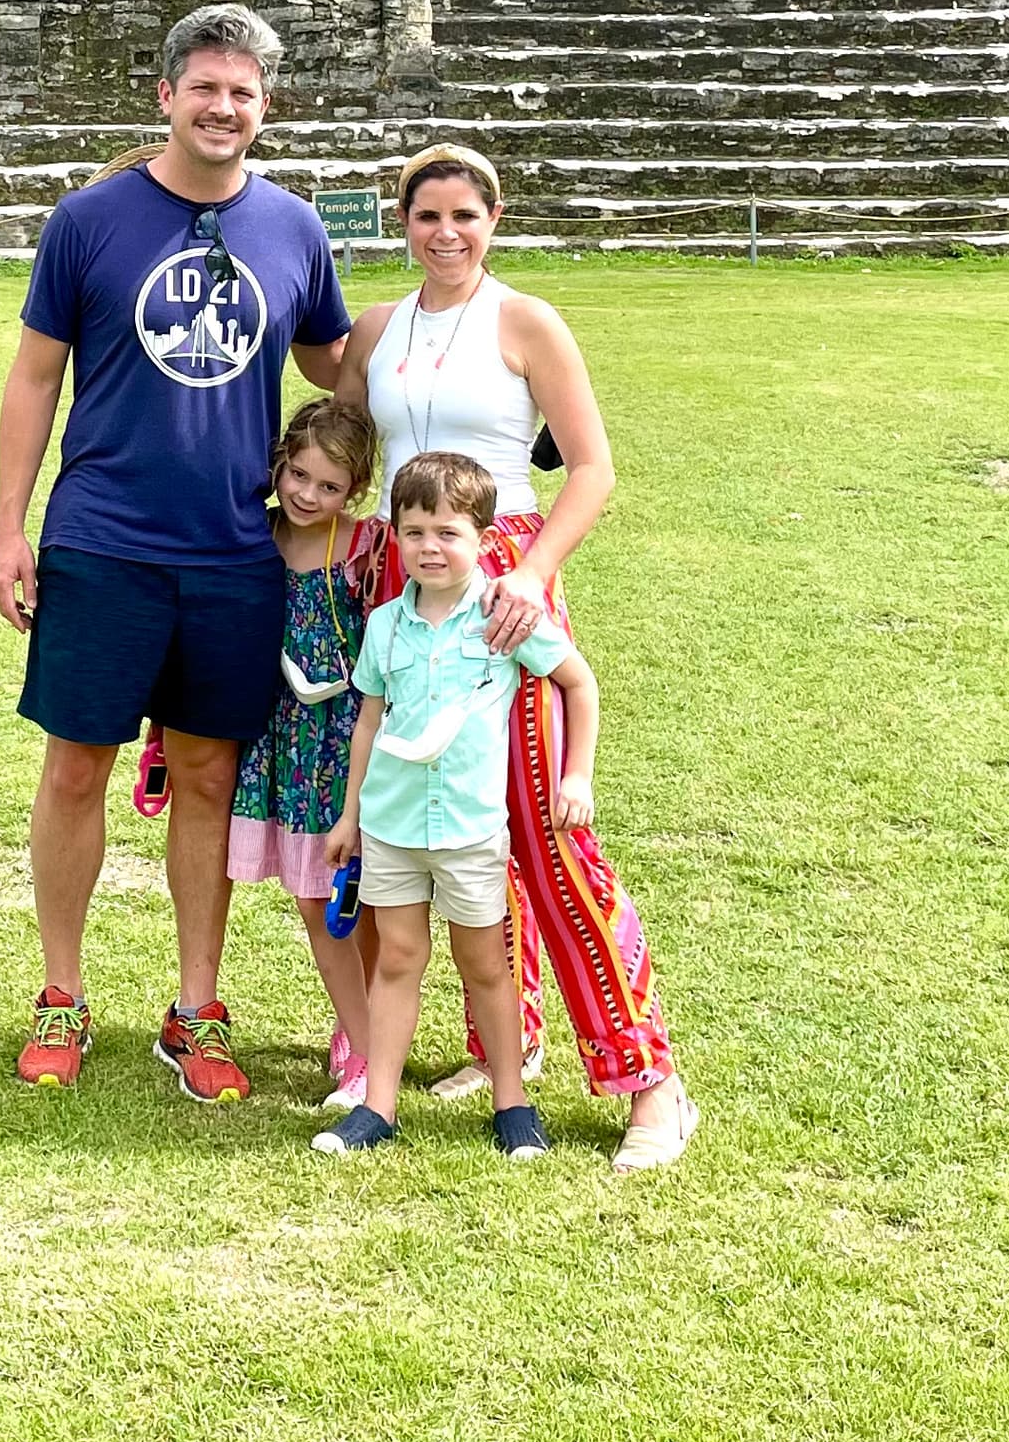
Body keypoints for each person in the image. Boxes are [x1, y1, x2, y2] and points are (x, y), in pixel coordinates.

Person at [0, 3, 352, 1102]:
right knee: (75, 767)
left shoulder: (294, 228)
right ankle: (62, 992)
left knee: (207, 777)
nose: (224, 107)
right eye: (205, 87)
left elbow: (347, 365)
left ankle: (195, 1008)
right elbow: (33, 377)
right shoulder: (90, 219)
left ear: (266, 107)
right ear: (165, 95)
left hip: (237, 550)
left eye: (243, 92)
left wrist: (485, 346)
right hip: (104, 538)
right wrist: (11, 526)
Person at [336, 141, 697, 1171]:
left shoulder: (527, 321)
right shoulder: (379, 330)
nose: (446, 233)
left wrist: (532, 573)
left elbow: (591, 467)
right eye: (426, 216)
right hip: (407, 586)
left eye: (466, 215)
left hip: (505, 583)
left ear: (494, 220)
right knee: (447, 813)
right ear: (399, 222)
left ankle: (648, 1080)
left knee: (542, 831)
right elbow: (348, 442)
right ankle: (511, 1039)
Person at [312, 452, 595, 1161]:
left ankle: (512, 1103)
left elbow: (578, 684)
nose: (429, 548)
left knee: (487, 967)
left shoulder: (503, 617)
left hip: (469, 829)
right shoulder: (385, 627)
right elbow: (369, 723)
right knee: (398, 959)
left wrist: (577, 775)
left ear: (483, 537)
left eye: (447, 532)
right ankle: (377, 1107)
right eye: (413, 532)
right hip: (394, 825)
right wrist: (350, 817)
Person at [225, 395, 389, 1114]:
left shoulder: (366, 547)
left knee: (361, 902)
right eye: (298, 475)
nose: (308, 495)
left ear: (353, 491)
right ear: (278, 464)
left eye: (329, 487)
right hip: (280, 742)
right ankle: (365, 1045)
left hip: (346, 745)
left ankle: (366, 1048)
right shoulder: (254, 536)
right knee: (316, 900)